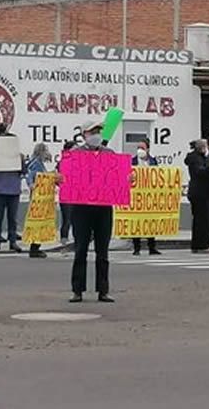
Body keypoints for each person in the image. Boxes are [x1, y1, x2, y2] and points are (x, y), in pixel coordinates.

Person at [67, 121, 117, 303]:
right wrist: (60, 179)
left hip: (103, 208)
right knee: (80, 249)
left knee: (102, 251)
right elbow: (65, 178)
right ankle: (77, 290)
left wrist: (127, 179)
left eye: (98, 131)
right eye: (92, 131)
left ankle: (103, 290)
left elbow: (117, 180)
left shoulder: (109, 154)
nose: (96, 134)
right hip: (81, 208)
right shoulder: (75, 154)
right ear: (84, 134)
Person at [0, 123, 23, 253]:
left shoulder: (16, 156)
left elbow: (22, 169)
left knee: (5, 217)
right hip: (5, 188)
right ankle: (4, 241)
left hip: (8, 188)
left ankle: (7, 241)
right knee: (5, 217)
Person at [186, 139, 209, 254]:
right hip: (200, 193)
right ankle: (202, 245)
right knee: (203, 220)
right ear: (201, 147)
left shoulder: (199, 157)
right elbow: (199, 172)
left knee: (201, 220)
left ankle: (198, 244)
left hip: (203, 192)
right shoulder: (195, 158)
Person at [131, 139, 161, 256]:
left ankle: (152, 247)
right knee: (136, 222)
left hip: (149, 196)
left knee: (150, 221)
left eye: (142, 148)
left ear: (148, 149)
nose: (140, 150)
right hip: (136, 195)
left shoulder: (153, 161)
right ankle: (136, 247)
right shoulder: (132, 161)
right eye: (138, 147)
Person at [25, 143, 52, 259]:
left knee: (39, 222)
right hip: (38, 198)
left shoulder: (37, 162)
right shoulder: (36, 163)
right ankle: (34, 247)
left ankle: (36, 246)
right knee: (38, 222)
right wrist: (31, 185)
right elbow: (30, 176)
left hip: (39, 197)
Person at [56, 141, 75, 246]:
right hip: (66, 194)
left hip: (75, 193)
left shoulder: (77, 161)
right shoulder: (63, 162)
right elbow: (58, 178)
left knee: (75, 218)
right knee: (66, 218)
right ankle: (64, 238)